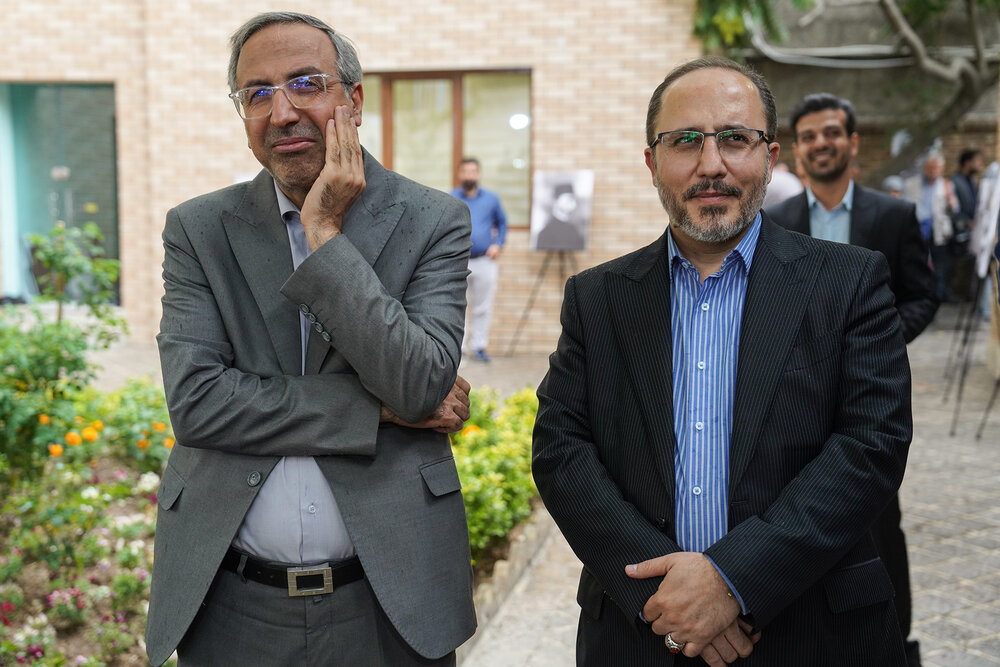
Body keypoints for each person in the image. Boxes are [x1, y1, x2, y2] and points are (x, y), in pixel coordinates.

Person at [532, 57, 912, 667]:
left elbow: (871, 446)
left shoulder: (849, 282)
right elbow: (561, 451)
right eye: (686, 141)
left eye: (735, 138)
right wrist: (673, 599)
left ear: (770, 156)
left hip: (813, 631)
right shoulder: (596, 298)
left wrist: (732, 581)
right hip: (641, 634)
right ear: (652, 162)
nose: (711, 164)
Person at [144, 11, 477, 666]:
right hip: (230, 599)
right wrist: (373, 411)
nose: (282, 112)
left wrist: (324, 232)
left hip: (390, 599)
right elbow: (198, 404)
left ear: (354, 100)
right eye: (257, 93)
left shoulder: (434, 220)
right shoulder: (198, 230)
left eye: (305, 84)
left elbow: (417, 385)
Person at [765, 92, 937, 666]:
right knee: (800, 501)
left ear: (852, 142)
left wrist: (878, 343)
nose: (821, 144)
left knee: (879, 516)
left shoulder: (892, 217)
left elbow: (923, 296)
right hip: (799, 396)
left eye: (832, 133)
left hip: (869, 395)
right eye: (809, 136)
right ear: (796, 150)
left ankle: (894, 637)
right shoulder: (776, 222)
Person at [450, 157, 507, 363]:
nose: (469, 175)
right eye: (465, 171)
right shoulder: (451, 198)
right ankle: (460, 348)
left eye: (473, 171)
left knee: (483, 306)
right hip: (459, 261)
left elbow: (502, 223)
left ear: (479, 174)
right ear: (460, 174)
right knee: (458, 306)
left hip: (485, 261)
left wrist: (498, 244)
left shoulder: (491, 199)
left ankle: (479, 346)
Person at [904, 153, 959, 301]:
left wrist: (952, 202)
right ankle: (920, 295)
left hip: (939, 233)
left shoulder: (946, 185)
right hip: (918, 231)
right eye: (930, 167)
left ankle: (937, 297)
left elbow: (954, 210)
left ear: (942, 169)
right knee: (918, 265)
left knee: (940, 267)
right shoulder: (912, 184)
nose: (933, 171)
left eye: (936, 168)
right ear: (925, 168)